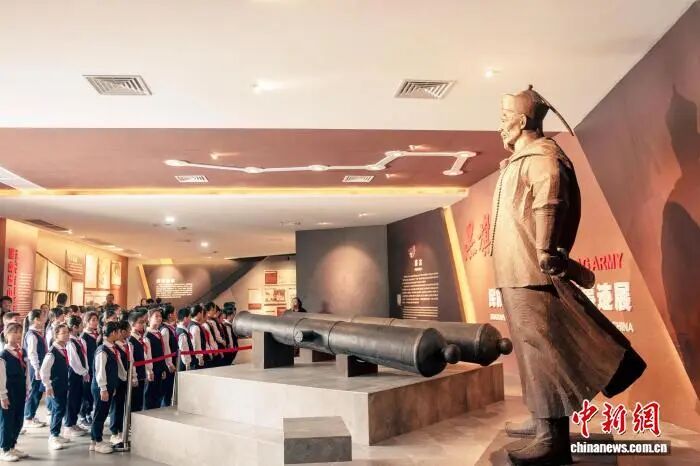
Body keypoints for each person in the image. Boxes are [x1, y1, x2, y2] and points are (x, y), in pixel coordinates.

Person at [493, 86, 645, 465]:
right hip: (516, 271)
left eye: (504, 118)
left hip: (531, 271)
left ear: (522, 121)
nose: (500, 126)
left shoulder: (543, 157)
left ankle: (553, 437)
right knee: (530, 353)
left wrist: (546, 249)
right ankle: (542, 418)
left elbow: (551, 200)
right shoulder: (520, 159)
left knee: (544, 354)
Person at [90, 321, 126, 454]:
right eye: (118, 332)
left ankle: (95, 440)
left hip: (109, 386)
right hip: (101, 388)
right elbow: (100, 372)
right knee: (100, 414)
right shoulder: (102, 350)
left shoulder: (112, 348)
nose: (120, 334)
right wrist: (103, 389)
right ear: (112, 333)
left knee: (103, 413)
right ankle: (97, 441)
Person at [40, 323, 71, 450]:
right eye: (63, 333)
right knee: (58, 410)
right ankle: (53, 436)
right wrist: (48, 385)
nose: (66, 335)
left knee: (61, 409)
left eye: (67, 332)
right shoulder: (52, 352)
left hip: (63, 384)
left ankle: (56, 433)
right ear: (56, 335)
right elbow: (44, 370)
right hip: (55, 385)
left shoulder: (63, 349)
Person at [0, 323, 28, 461]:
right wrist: (3, 395)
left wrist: (27, 387)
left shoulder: (21, 351)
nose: (18, 335)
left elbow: (27, 371)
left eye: (19, 332)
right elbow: (1, 377)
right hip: (8, 390)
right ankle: (4, 449)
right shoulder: (3, 355)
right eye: (14, 332)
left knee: (18, 418)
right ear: (6, 335)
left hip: (20, 389)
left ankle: (12, 446)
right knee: (7, 420)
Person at [64, 316, 88, 439]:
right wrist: (83, 372)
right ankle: (68, 425)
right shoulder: (70, 342)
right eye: (81, 324)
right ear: (74, 327)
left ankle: (73, 422)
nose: (83, 326)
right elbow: (74, 361)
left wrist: (85, 370)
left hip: (79, 374)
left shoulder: (78, 340)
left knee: (77, 398)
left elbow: (83, 357)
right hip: (73, 374)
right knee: (71, 399)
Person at [23, 309, 47, 429]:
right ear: (36, 320)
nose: (45, 319)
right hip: (35, 367)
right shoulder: (32, 335)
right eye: (43, 316)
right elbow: (32, 353)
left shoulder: (37, 333)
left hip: (39, 366)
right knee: (35, 391)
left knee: (38, 392)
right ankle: (28, 417)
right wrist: (37, 369)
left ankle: (31, 415)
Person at [109, 321, 130, 446]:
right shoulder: (114, 347)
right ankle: (114, 432)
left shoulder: (126, 344)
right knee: (115, 406)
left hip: (125, 378)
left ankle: (121, 429)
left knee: (122, 404)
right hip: (117, 379)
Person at [78, 311, 100, 428]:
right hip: (88, 368)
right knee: (86, 393)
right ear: (86, 322)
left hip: (96, 367)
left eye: (96, 320)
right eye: (93, 320)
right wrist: (86, 370)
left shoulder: (97, 335)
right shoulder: (84, 337)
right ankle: (83, 415)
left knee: (91, 394)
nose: (96, 322)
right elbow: (84, 355)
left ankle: (88, 413)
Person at [127, 311, 151, 413]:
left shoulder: (140, 338)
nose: (143, 325)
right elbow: (131, 360)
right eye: (140, 322)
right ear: (132, 324)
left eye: (143, 322)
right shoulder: (130, 340)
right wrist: (134, 377)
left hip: (141, 373)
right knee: (134, 403)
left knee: (140, 401)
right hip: (135, 375)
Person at [144, 309, 167, 409]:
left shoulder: (159, 333)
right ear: (149, 318)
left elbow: (163, 352)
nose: (159, 318)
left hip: (159, 367)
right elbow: (147, 355)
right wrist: (149, 370)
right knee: (149, 395)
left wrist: (164, 367)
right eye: (156, 316)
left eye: (160, 316)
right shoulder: (146, 335)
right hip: (151, 369)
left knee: (158, 394)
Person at [159, 306, 177, 407]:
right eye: (174, 312)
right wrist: (169, 364)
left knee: (169, 389)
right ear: (170, 315)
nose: (176, 314)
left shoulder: (169, 328)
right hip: (168, 363)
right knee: (167, 390)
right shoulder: (165, 330)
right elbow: (165, 348)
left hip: (172, 360)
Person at [203, 303, 224, 367]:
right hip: (211, 350)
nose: (214, 312)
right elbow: (210, 340)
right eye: (213, 310)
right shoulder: (204, 324)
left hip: (215, 348)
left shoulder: (211, 322)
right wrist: (214, 349)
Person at [188, 305, 208, 369]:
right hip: (197, 358)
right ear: (199, 314)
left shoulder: (193, 324)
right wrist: (200, 357)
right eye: (202, 313)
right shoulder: (195, 327)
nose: (202, 315)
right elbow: (196, 344)